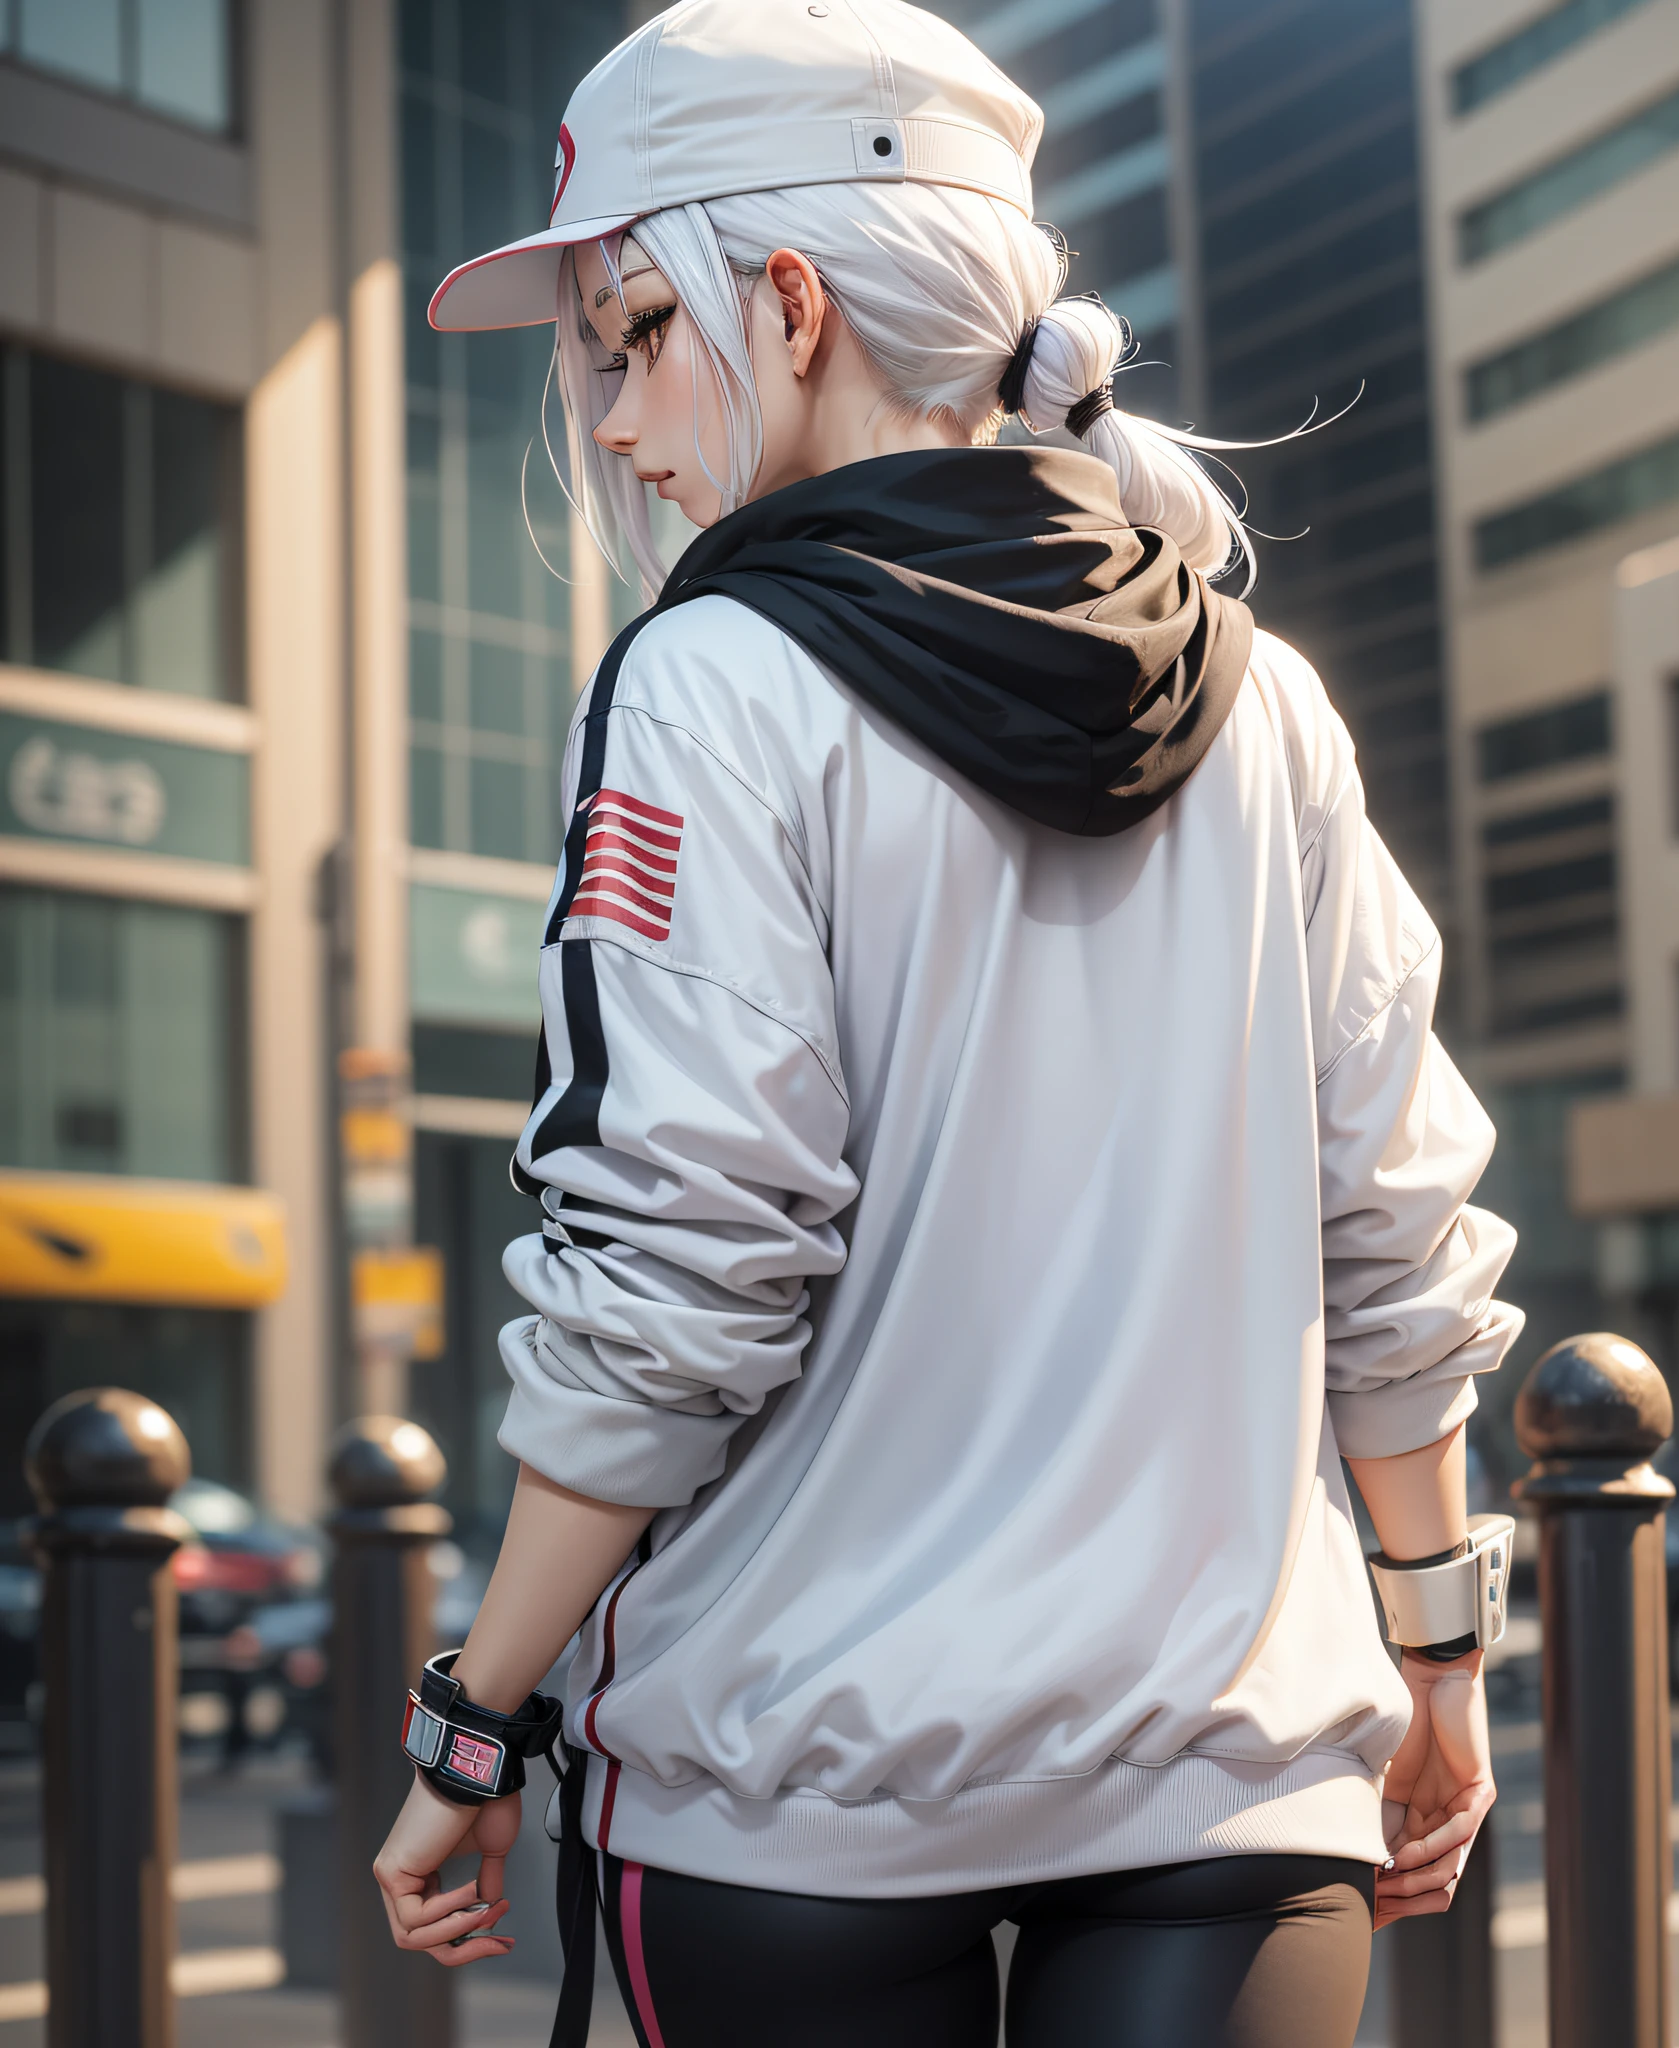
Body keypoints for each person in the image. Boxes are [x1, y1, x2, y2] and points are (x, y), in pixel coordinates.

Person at [372, 5, 1523, 2043]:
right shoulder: (1268, 702)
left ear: (790, 302)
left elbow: (679, 1266)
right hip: (1238, 1782)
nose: (619, 419)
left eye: (631, 329)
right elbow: (1395, 1235)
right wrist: (1438, 1661)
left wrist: (470, 1724)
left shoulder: (708, 684)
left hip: (793, 1792)